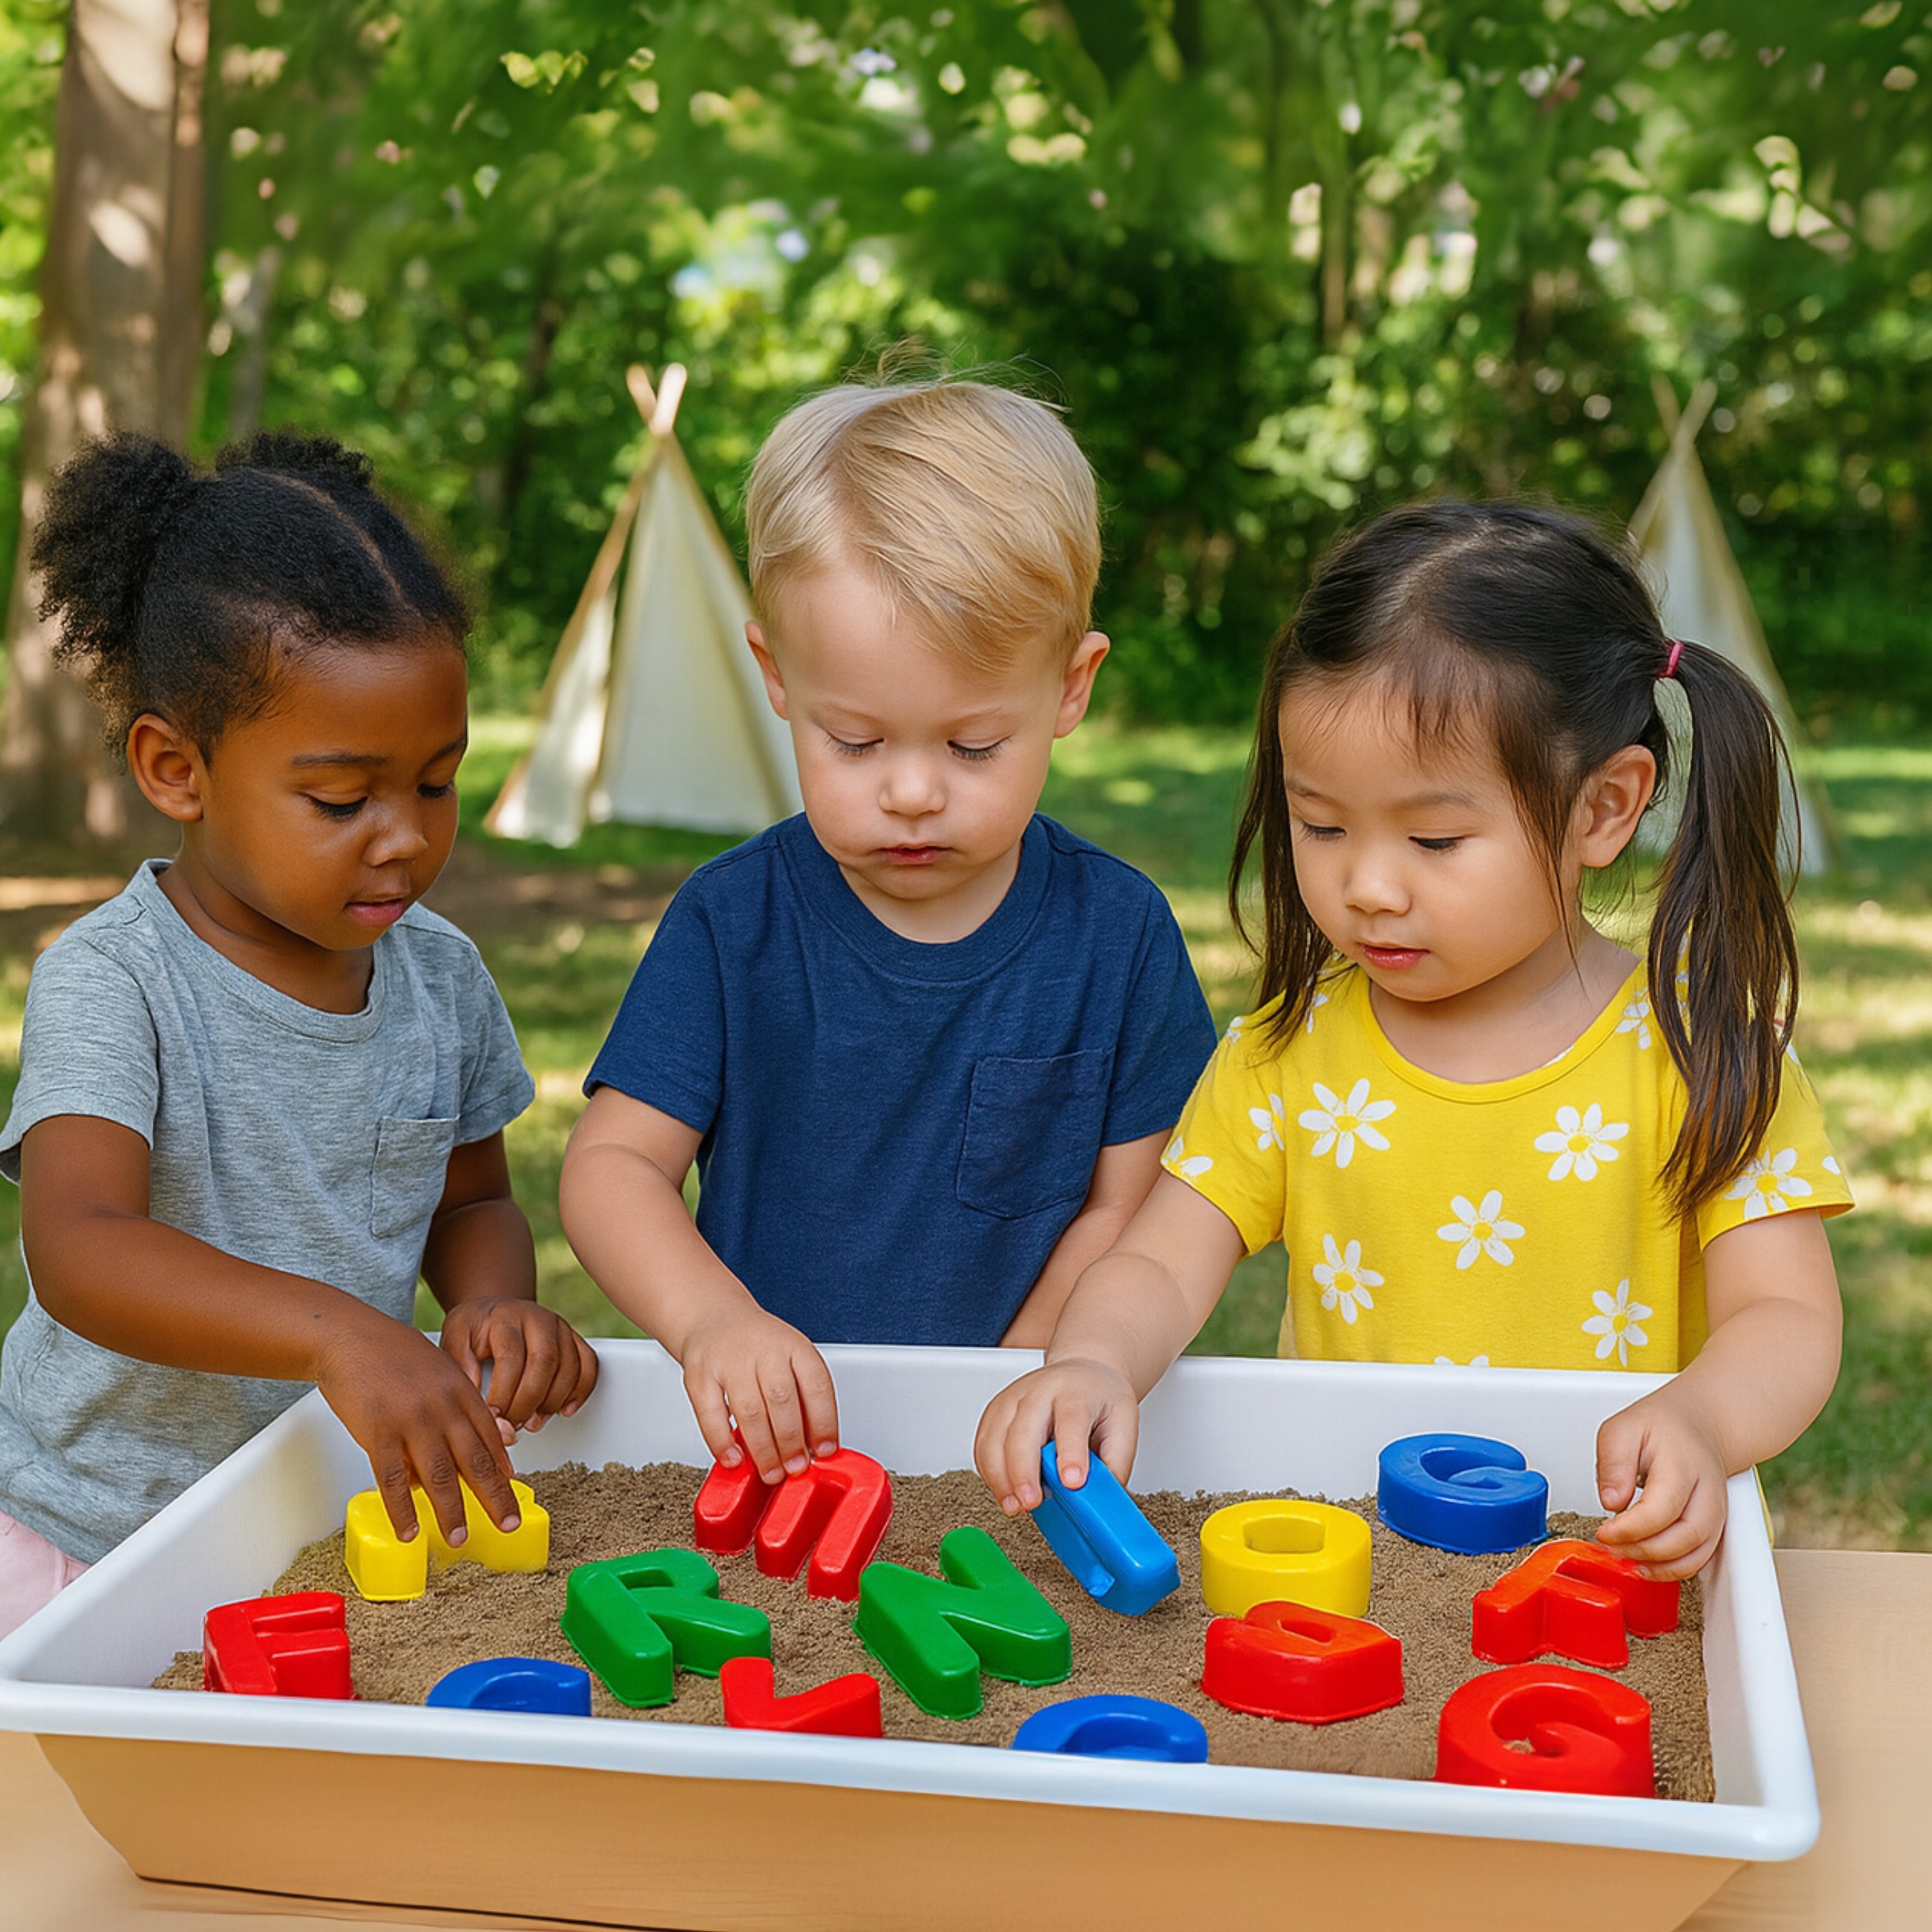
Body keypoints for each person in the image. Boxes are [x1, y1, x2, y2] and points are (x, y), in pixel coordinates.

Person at [976, 500, 1850, 1581]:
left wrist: (1702, 1421)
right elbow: (1158, 1260)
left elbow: (1786, 1317)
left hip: (1607, 1561)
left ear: (1604, 808)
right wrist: (1095, 1358)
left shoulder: (1705, 1056)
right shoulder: (1289, 1054)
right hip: (1359, 1565)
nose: (1369, 887)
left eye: (1435, 838)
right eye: (1322, 825)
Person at [561, 377, 1217, 1486]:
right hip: (777, 1452)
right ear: (777, 677)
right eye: (856, 742)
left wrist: (1025, 1368)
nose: (912, 792)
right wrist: (712, 1320)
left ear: (1071, 687)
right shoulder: (733, 922)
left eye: (973, 746)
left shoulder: (1119, 934)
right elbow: (613, 1165)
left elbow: (1138, 1202)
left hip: (1009, 1452)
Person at [0, 432, 598, 1639]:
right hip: (89, 1538)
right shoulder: (116, 981)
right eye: (340, 799)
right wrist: (340, 1335)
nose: (404, 837)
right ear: (177, 769)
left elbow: (474, 1201)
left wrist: (492, 1306)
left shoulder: (442, 978)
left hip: (311, 1536)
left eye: (436, 783)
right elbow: (81, 1247)